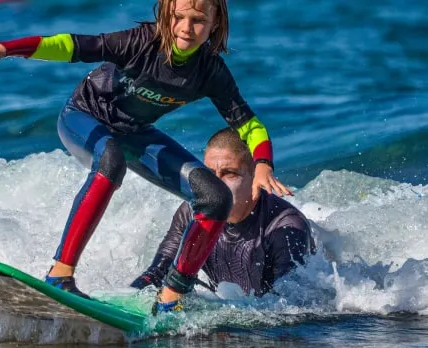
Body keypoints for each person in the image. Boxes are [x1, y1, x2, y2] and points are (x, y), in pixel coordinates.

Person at [0, 0, 293, 314]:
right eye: (178, 17)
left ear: (214, 23)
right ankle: (60, 274)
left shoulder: (210, 71)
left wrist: (263, 163)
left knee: (215, 197)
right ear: (166, 12)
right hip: (83, 117)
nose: (186, 28)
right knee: (110, 160)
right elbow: (71, 45)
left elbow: (247, 121)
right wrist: (4, 48)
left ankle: (171, 297)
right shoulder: (139, 43)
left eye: (198, 20)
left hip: (134, 132)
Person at [131, 128, 315, 300]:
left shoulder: (286, 228)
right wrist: (131, 295)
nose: (215, 186)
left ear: (255, 178)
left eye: (229, 173)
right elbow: (158, 271)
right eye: (209, 174)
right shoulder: (191, 213)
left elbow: (288, 306)